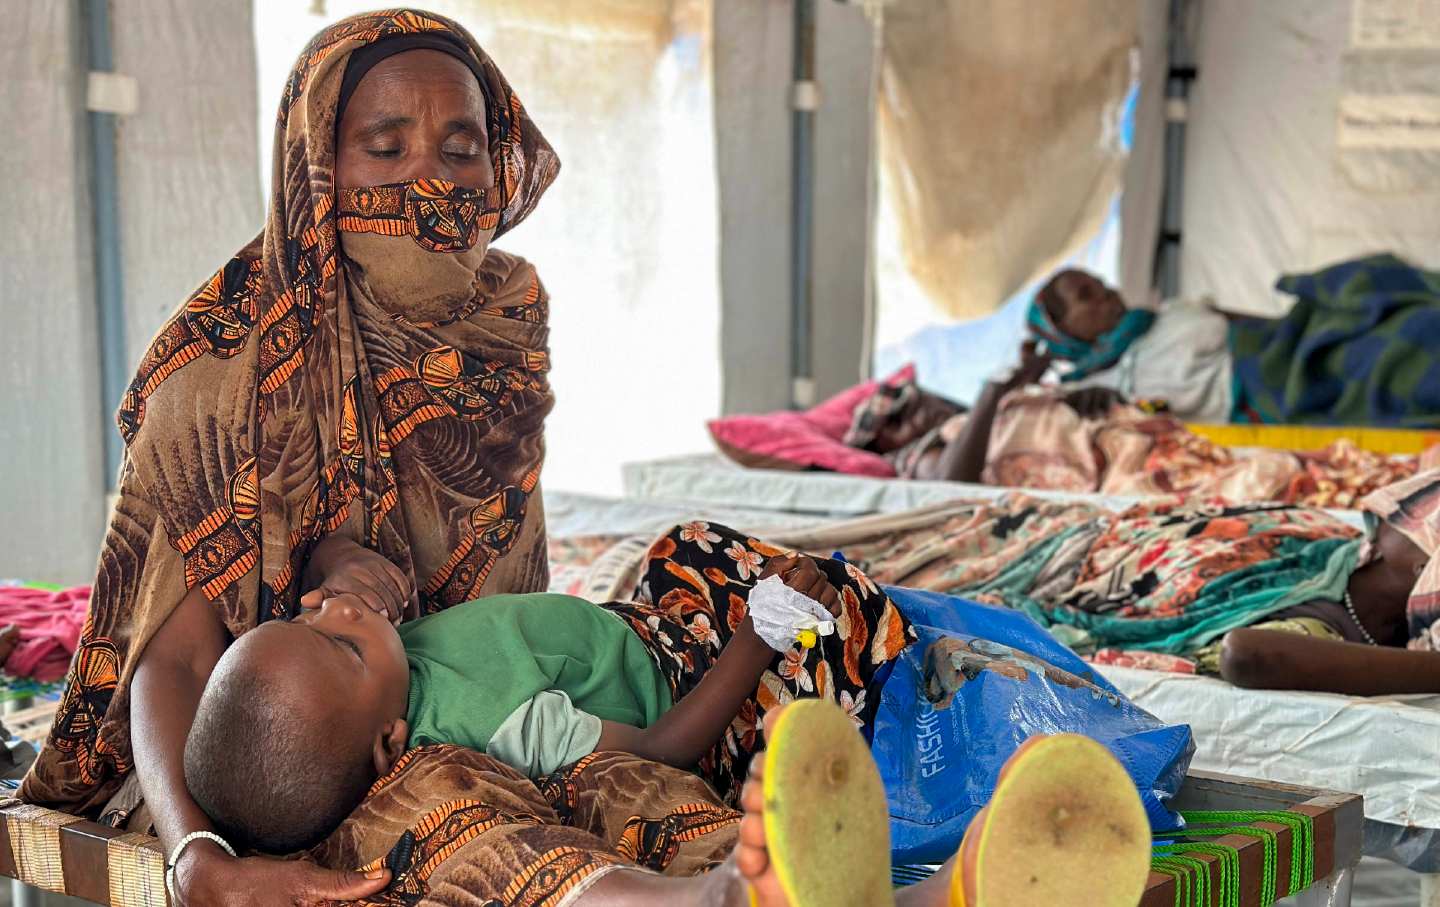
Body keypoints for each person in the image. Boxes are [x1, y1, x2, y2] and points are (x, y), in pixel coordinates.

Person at [20, 10, 562, 905]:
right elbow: (180, 662)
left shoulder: (502, 324)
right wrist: (197, 853)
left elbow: (513, 585)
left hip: (491, 710)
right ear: (315, 168)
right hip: (267, 776)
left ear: (498, 164)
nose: (429, 181)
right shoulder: (223, 365)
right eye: (384, 150)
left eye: (461, 151)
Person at [755, 470, 1440, 696]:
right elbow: (1183, 522)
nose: (1384, 510)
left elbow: (1247, 653)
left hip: (1090, 584)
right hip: (1073, 538)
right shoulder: (1328, 541)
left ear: (1415, 567)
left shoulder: (1338, 633)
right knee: (994, 531)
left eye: (1406, 517)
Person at [1027, 268, 1233, 423]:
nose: (1105, 292)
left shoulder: (1172, 311)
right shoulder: (1089, 397)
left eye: (1101, 283)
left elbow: (1250, 326)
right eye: (1085, 295)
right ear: (1061, 330)